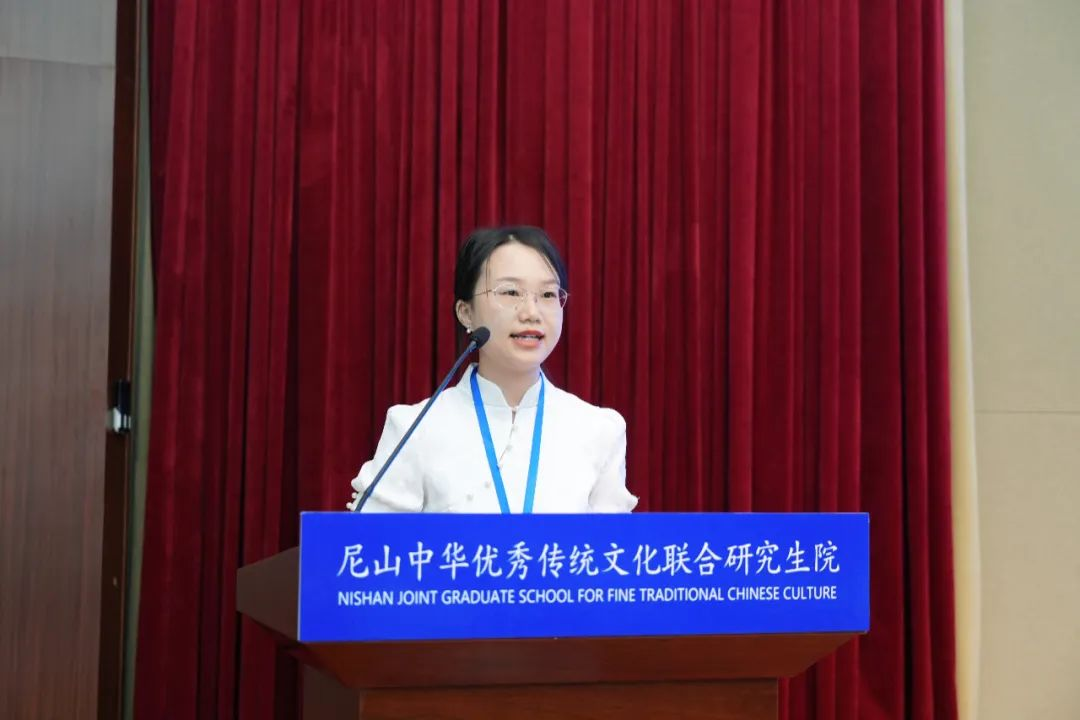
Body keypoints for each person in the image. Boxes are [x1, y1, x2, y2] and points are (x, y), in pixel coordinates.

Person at [347, 226, 637, 514]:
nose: (531, 312)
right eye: (510, 292)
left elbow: (614, 541)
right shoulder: (415, 428)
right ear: (466, 313)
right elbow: (370, 538)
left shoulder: (599, 430)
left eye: (548, 294)